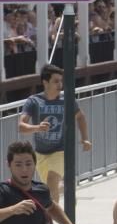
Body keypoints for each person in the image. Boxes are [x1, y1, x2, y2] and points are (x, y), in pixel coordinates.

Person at [17, 64, 92, 203]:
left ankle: (53, 219)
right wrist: (37, 128)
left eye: (61, 81)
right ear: (45, 82)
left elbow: (80, 116)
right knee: (49, 188)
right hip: (40, 154)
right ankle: (67, 190)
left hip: (61, 151)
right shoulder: (34, 101)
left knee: (52, 180)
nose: (60, 84)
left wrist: (85, 139)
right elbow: (21, 126)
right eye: (56, 81)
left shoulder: (67, 100)